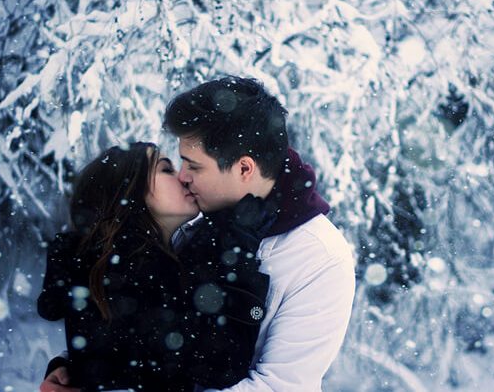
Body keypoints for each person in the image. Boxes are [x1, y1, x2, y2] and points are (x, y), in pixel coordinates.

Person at [42, 76, 356, 391]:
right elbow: (139, 330)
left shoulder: (320, 258)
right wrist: (78, 369)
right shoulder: (193, 224)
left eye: (194, 166)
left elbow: (280, 387)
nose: (182, 176)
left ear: (244, 169)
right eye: (177, 164)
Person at [38, 142, 273, 391]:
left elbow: (108, 363)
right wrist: (239, 246)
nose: (183, 177)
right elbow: (220, 368)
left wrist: (66, 366)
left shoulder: (104, 264)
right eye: (166, 170)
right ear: (129, 192)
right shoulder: (136, 274)